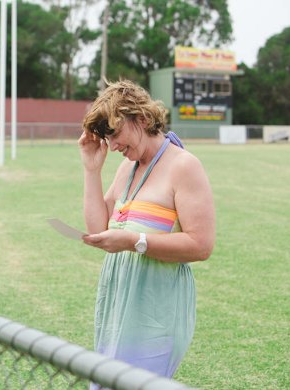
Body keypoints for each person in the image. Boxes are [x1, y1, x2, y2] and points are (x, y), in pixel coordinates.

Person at [78, 79, 215, 380]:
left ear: (141, 118)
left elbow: (201, 245)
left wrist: (133, 241)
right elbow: (97, 228)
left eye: (114, 134)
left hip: (156, 309)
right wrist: (91, 169)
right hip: (117, 303)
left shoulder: (184, 166)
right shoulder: (127, 167)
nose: (112, 146)